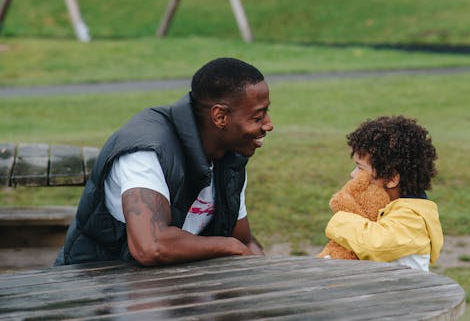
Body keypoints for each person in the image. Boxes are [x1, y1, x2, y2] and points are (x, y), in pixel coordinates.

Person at [54, 57, 273, 266]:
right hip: (95, 291)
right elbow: (151, 246)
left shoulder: (229, 159)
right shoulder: (147, 151)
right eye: (257, 117)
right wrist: (227, 245)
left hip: (166, 286)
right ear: (220, 117)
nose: (268, 125)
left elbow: (244, 242)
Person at [324, 115, 443, 271]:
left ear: (391, 179)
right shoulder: (388, 208)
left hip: (405, 294)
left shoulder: (413, 218)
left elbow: (374, 246)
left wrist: (342, 219)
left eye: (360, 168)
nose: (353, 175)